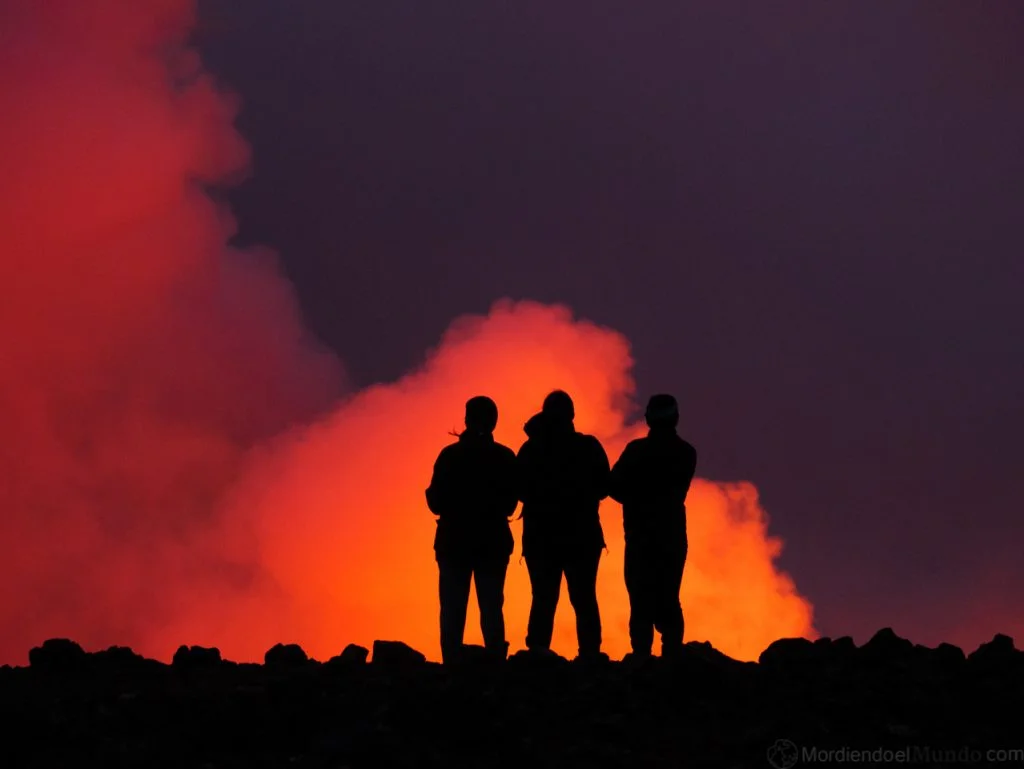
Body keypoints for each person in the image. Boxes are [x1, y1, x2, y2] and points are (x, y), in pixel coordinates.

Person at [516, 390, 611, 661]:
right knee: (583, 597)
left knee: (544, 597)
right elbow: (605, 486)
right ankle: (590, 654)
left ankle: (537, 652)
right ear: (572, 415)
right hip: (582, 537)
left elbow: (519, 489)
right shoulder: (588, 447)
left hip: (541, 538)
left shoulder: (531, 448)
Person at [425, 396, 518, 664]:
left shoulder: (450, 456)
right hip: (492, 545)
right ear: (494, 421)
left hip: (454, 544)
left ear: (467, 419)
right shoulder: (503, 456)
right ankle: (495, 665)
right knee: (491, 608)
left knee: (452, 609)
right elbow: (511, 504)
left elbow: (435, 502)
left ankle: (452, 665)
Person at [608, 394, 697, 659]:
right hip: (671, 536)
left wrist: (634, 499)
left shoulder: (636, 451)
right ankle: (671, 656)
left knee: (640, 599)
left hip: (639, 536)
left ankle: (642, 658)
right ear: (676, 418)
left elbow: (612, 485)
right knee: (669, 596)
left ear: (647, 419)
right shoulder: (686, 452)